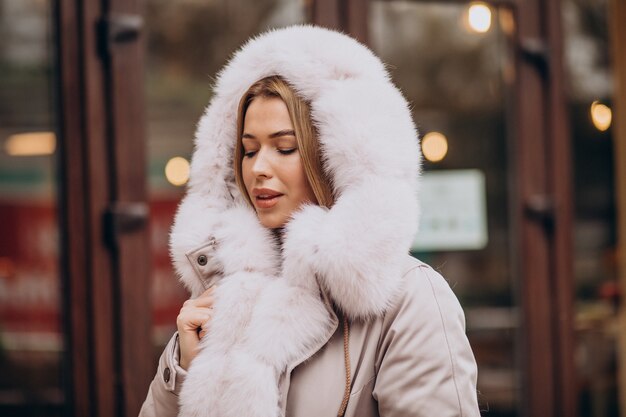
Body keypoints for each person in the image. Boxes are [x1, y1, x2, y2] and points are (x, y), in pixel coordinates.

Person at [140, 25, 480, 417]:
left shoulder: (410, 299)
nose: (259, 169)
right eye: (248, 152)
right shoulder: (223, 300)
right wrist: (184, 371)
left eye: (285, 148)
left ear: (336, 159)